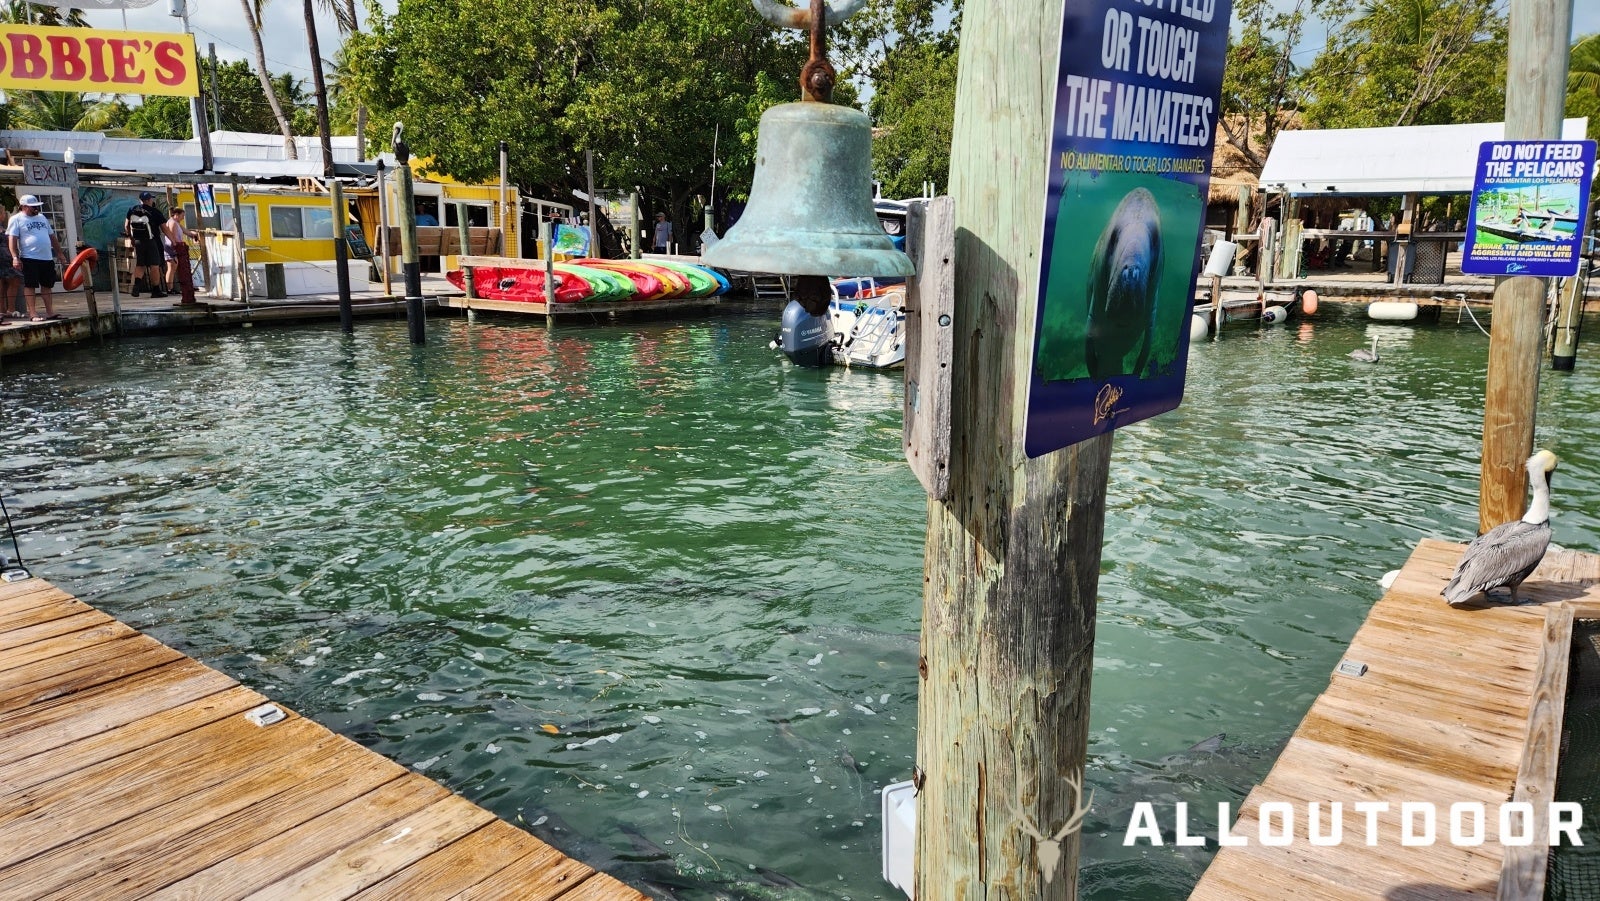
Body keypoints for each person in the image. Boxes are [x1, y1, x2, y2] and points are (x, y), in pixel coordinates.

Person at [6, 195, 67, 321]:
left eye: (36, 206)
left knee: (47, 284)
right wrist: (15, 257)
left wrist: (60, 254)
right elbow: (12, 239)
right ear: (24, 206)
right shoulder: (16, 219)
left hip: (47, 257)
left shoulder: (42, 217)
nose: (36, 209)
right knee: (30, 285)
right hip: (29, 257)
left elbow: (52, 236)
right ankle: (33, 313)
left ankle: (50, 312)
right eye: (33, 207)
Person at [124, 191, 167, 297]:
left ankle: (136, 287)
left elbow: (126, 226)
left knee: (140, 265)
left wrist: (131, 238)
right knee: (154, 265)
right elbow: (165, 229)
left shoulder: (132, 210)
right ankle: (156, 290)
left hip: (138, 241)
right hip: (151, 241)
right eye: (151, 199)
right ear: (148, 200)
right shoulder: (155, 212)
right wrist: (174, 241)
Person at [162, 207, 193, 304]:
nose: (183, 218)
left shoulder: (177, 223)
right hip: (172, 247)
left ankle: (171, 287)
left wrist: (194, 235)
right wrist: (178, 246)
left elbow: (187, 232)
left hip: (175, 247)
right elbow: (174, 237)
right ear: (177, 215)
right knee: (171, 268)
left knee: (174, 268)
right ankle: (169, 288)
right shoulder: (172, 223)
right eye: (182, 216)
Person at [0, 204, 22, 321]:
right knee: (3, 283)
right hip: (3, 258)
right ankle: (2, 310)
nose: (4, 215)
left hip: (7, 258)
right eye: (3, 213)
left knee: (14, 281)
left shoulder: (4, 228)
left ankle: (9, 309)